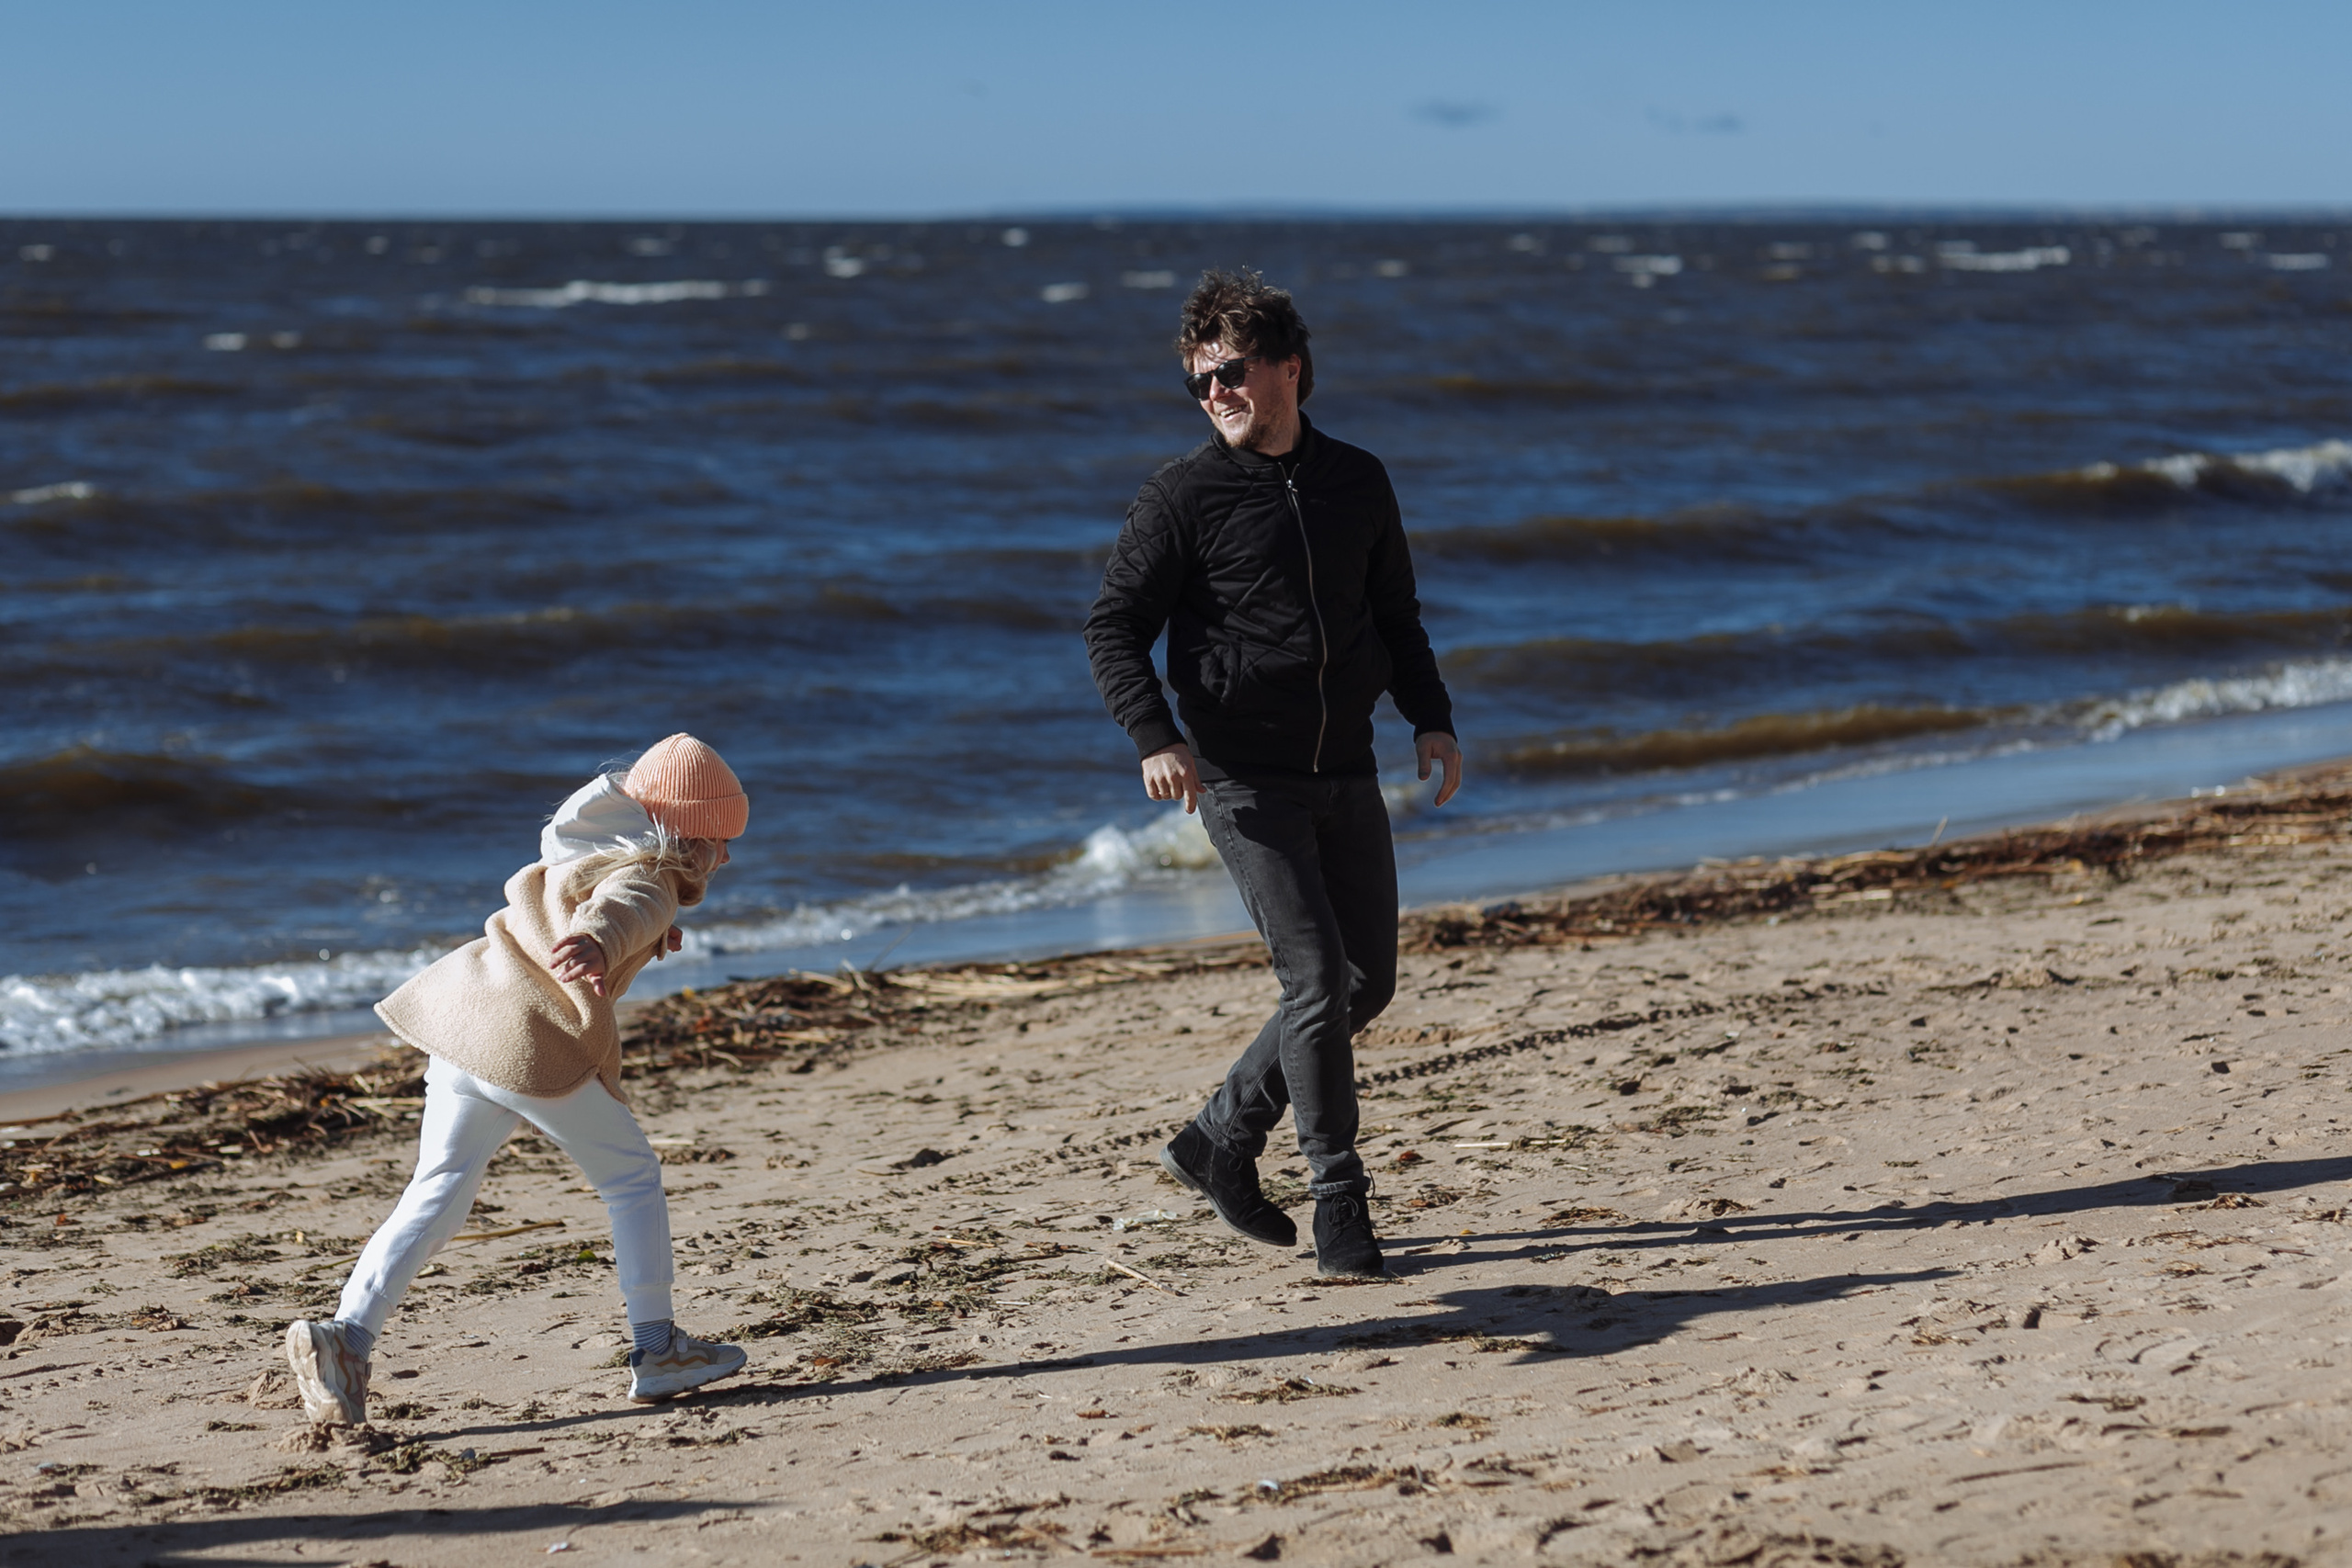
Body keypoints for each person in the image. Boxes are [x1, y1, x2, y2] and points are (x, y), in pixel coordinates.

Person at [1083, 269, 1462, 1279]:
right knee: (1310, 978)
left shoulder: (1358, 480)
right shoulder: (1183, 497)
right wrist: (1154, 737)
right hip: (1243, 778)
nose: (1216, 394)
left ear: (1288, 368)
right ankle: (1341, 1202)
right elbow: (1113, 627)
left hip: (1346, 768)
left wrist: (1431, 718)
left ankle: (1217, 1138)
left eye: (1232, 372)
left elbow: (1396, 617)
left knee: (1360, 983)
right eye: (1200, 383)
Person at [283, 734, 753, 1423]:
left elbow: (618, 907)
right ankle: (659, 1349)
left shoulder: (579, 854)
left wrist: (634, 937)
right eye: (719, 839)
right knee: (632, 1178)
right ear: (687, 834)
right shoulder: (646, 876)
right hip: (531, 1041)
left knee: (440, 1187)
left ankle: (346, 1340)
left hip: (466, 1028)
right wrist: (604, 939)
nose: (727, 855)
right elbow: (627, 905)